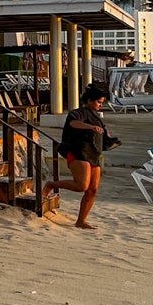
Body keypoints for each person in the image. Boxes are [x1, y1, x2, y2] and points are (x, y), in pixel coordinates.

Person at [50, 84, 117, 229]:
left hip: (93, 154)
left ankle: (81, 221)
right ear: (89, 100)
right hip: (79, 152)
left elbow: (102, 134)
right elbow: (74, 124)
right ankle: (52, 184)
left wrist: (108, 138)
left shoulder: (96, 118)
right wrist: (91, 127)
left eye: (102, 102)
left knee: (92, 190)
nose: (101, 105)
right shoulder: (79, 112)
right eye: (99, 102)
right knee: (81, 185)